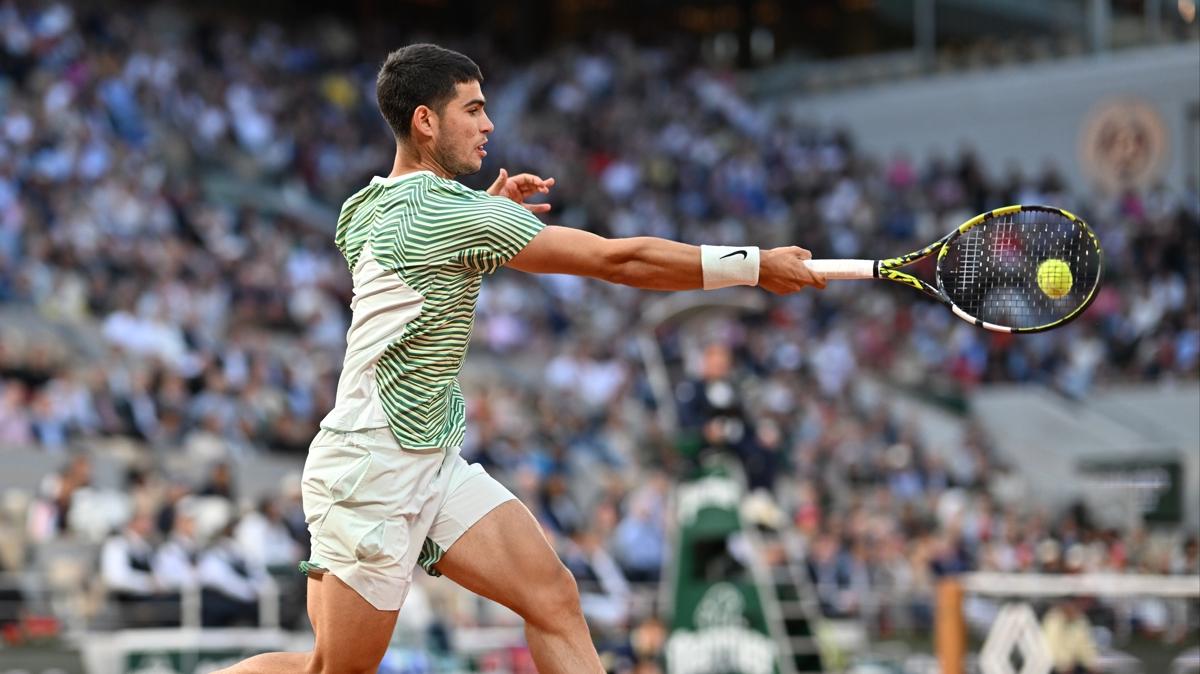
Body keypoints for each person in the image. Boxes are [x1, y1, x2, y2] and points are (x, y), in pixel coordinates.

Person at [220, 43, 824, 674]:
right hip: (371, 469)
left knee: (553, 597)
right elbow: (617, 260)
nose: (488, 126)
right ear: (426, 121)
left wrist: (490, 213)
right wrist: (753, 266)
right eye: (473, 110)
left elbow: (427, 243)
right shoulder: (450, 213)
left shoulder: (365, 206)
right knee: (332, 671)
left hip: (427, 457)